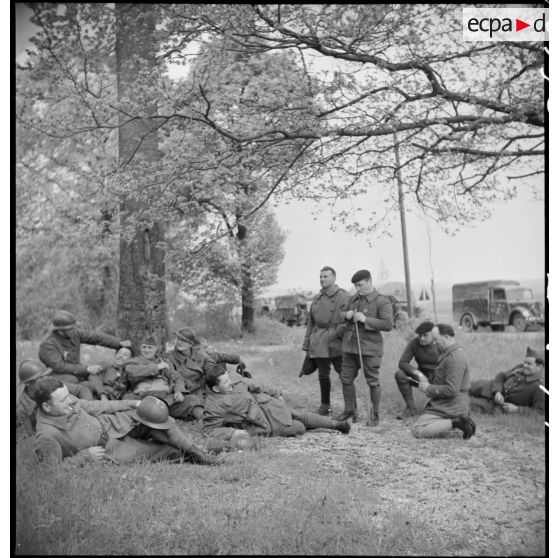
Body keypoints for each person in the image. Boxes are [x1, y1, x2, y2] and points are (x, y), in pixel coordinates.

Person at [31, 377, 219, 465]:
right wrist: (83, 457)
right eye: (63, 400)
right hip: (111, 449)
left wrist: (135, 403)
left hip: (111, 424)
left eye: (68, 396)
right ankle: (191, 453)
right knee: (167, 451)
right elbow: (51, 472)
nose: (70, 400)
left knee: (158, 416)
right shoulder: (47, 436)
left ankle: (197, 451)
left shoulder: (68, 399)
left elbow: (96, 407)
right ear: (47, 407)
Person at [202, 365, 351, 440]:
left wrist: (275, 393)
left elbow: (256, 384)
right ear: (215, 388)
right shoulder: (213, 405)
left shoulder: (232, 376)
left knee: (300, 414)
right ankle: (314, 427)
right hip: (260, 423)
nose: (230, 383)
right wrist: (234, 432)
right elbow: (209, 430)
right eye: (226, 383)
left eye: (229, 379)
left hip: (267, 404)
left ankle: (337, 425)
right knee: (298, 427)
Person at [337, 269, 393, 426]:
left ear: (370, 281)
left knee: (373, 382)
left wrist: (365, 319)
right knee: (346, 379)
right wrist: (346, 315)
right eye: (355, 286)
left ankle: (374, 415)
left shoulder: (382, 301)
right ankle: (350, 412)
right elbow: (339, 316)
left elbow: (388, 324)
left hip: (370, 349)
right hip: (350, 347)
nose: (358, 289)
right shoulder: (353, 299)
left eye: (360, 285)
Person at [38, 310, 132, 395]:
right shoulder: (48, 344)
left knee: (93, 381)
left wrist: (118, 343)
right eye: (70, 329)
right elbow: (60, 367)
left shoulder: (74, 333)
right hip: (57, 374)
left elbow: (95, 337)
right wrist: (87, 369)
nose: (74, 330)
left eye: (73, 327)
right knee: (75, 381)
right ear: (61, 331)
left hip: (75, 370)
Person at [164, 327, 247, 421]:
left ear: (191, 344)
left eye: (183, 340)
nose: (179, 342)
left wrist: (222, 377)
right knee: (195, 404)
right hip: (183, 394)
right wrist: (179, 390)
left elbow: (211, 366)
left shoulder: (199, 354)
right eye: (178, 339)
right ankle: (208, 419)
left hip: (202, 391)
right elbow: (174, 377)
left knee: (227, 387)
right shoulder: (169, 357)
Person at [411, 324, 476, 440]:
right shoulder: (451, 354)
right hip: (446, 404)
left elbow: (452, 390)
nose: (434, 343)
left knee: (417, 430)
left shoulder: (454, 359)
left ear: (446, 337)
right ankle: (458, 422)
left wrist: (428, 388)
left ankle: (457, 422)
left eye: (436, 339)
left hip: (451, 406)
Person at [301, 266, 350, 416]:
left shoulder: (344, 296)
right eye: (321, 277)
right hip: (319, 340)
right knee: (323, 375)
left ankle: (350, 408)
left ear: (334, 278)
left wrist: (334, 334)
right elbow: (311, 323)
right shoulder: (317, 298)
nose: (322, 279)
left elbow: (347, 321)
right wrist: (307, 343)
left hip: (336, 340)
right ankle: (325, 406)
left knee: (344, 374)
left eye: (325, 277)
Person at [16, 359, 94, 433]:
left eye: (46, 375)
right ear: (28, 384)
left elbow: (81, 390)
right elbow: (29, 438)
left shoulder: (50, 383)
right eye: (41, 378)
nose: (46, 380)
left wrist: (87, 410)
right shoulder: (21, 411)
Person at [123, 335, 191, 420]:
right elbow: (132, 372)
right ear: (140, 348)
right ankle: (156, 414)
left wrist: (179, 391)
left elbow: (177, 378)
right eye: (144, 347)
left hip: (164, 400)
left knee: (191, 399)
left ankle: (158, 412)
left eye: (150, 347)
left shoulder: (165, 362)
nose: (146, 350)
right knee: (127, 399)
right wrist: (157, 368)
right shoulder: (133, 362)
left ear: (156, 348)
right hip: (142, 398)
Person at [468, 346, 545, 415]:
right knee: (463, 385)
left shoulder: (540, 387)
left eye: (529, 364)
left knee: (464, 402)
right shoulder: (519, 367)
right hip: (490, 387)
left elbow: (540, 411)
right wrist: (497, 392)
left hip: (496, 405)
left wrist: (517, 409)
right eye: (525, 362)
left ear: (539, 367)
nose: (525, 365)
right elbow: (501, 376)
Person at [394, 321, 441, 419]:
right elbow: (402, 362)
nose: (421, 338)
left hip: (438, 378)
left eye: (425, 335)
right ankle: (411, 409)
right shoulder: (414, 343)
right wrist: (419, 374)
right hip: (420, 376)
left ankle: (434, 407)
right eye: (420, 335)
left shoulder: (441, 344)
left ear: (433, 335)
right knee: (400, 375)